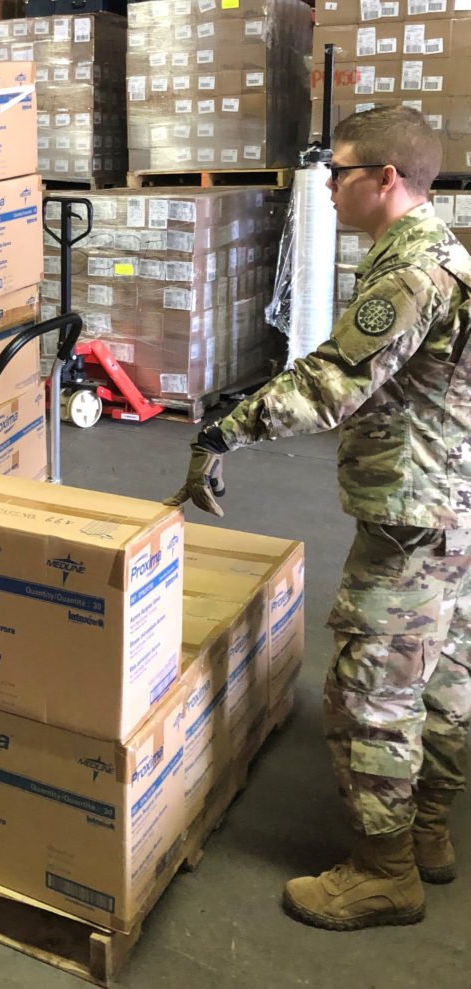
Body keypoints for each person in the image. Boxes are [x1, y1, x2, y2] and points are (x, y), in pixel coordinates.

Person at [166, 106, 471, 931]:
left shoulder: (411, 273)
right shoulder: (444, 254)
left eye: (337, 172)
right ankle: (429, 832)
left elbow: (329, 386)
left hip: (415, 516)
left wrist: (225, 426)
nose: (326, 187)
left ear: (385, 180)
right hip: (451, 509)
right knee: (439, 675)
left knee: (370, 689)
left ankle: (385, 870)